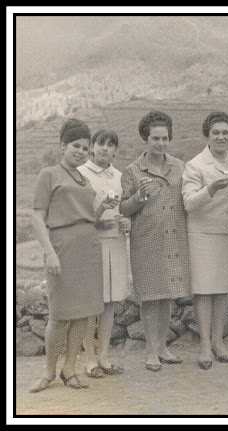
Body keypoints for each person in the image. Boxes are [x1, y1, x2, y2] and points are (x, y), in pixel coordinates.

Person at [29, 119, 118, 392]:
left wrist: (103, 207)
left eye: (84, 147)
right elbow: (37, 216)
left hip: (88, 249)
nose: (80, 151)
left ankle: (69, 369)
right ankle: (49, 372)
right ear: (63, 146)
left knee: (83, 314)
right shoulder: (49, 175)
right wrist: (50, 253)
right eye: (75, 146)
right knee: (59, 315)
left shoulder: (84, 179)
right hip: (62, 249)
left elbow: (88, 217)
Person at [120, 111, 189, 372]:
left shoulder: (180, 167)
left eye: (165, 138)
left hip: (173, 240)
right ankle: (151, 351)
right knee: (150, 296)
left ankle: (163, 348)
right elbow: (123, 208)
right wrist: (139, 196)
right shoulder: (132, 171)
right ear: (145, 139)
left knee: (167, 294)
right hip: (147, 241)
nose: (161, 143)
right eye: (155, 138)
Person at [182, 111, 228, 369]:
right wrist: (211, 189)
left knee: (223, 290)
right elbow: (188, 203)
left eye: (225, 132)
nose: (220, 137)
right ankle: (205, 344)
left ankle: (218, 341)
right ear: (207, 135)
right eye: (215, 132)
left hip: (227, 234)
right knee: (204, 291)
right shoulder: (195, 165)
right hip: (202, 235)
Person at [78, 130, 130, 378]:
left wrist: (126, 222)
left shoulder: (120, 177)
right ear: (92, 146)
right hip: (91, 244)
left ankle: (105, 356)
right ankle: (89, 359)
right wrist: (97, 220)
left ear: (115, 150)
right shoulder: (81, 174)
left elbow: (126, 209)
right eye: (100, 143)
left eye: (110, 145)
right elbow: (78, 215)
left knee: (110, 301)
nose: (105, 149)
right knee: (92, 302)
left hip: (116, 243)